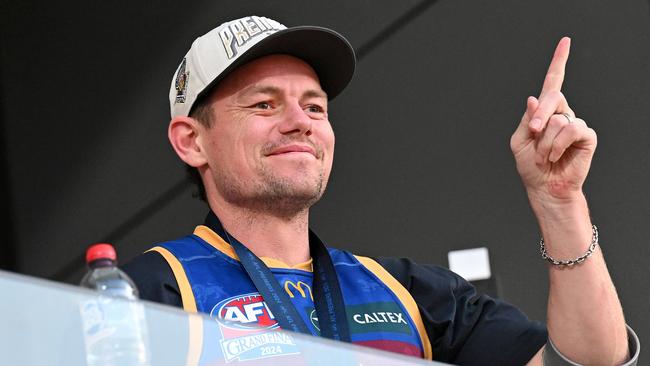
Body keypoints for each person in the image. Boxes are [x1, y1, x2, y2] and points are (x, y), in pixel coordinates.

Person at [123, 15, 639, 365]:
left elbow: (589, 363)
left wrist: (559, 201)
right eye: (264, 105)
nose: (299, 122)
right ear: (193, 142)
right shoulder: (145, 293)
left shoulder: (407, 292)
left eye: (315, 106)